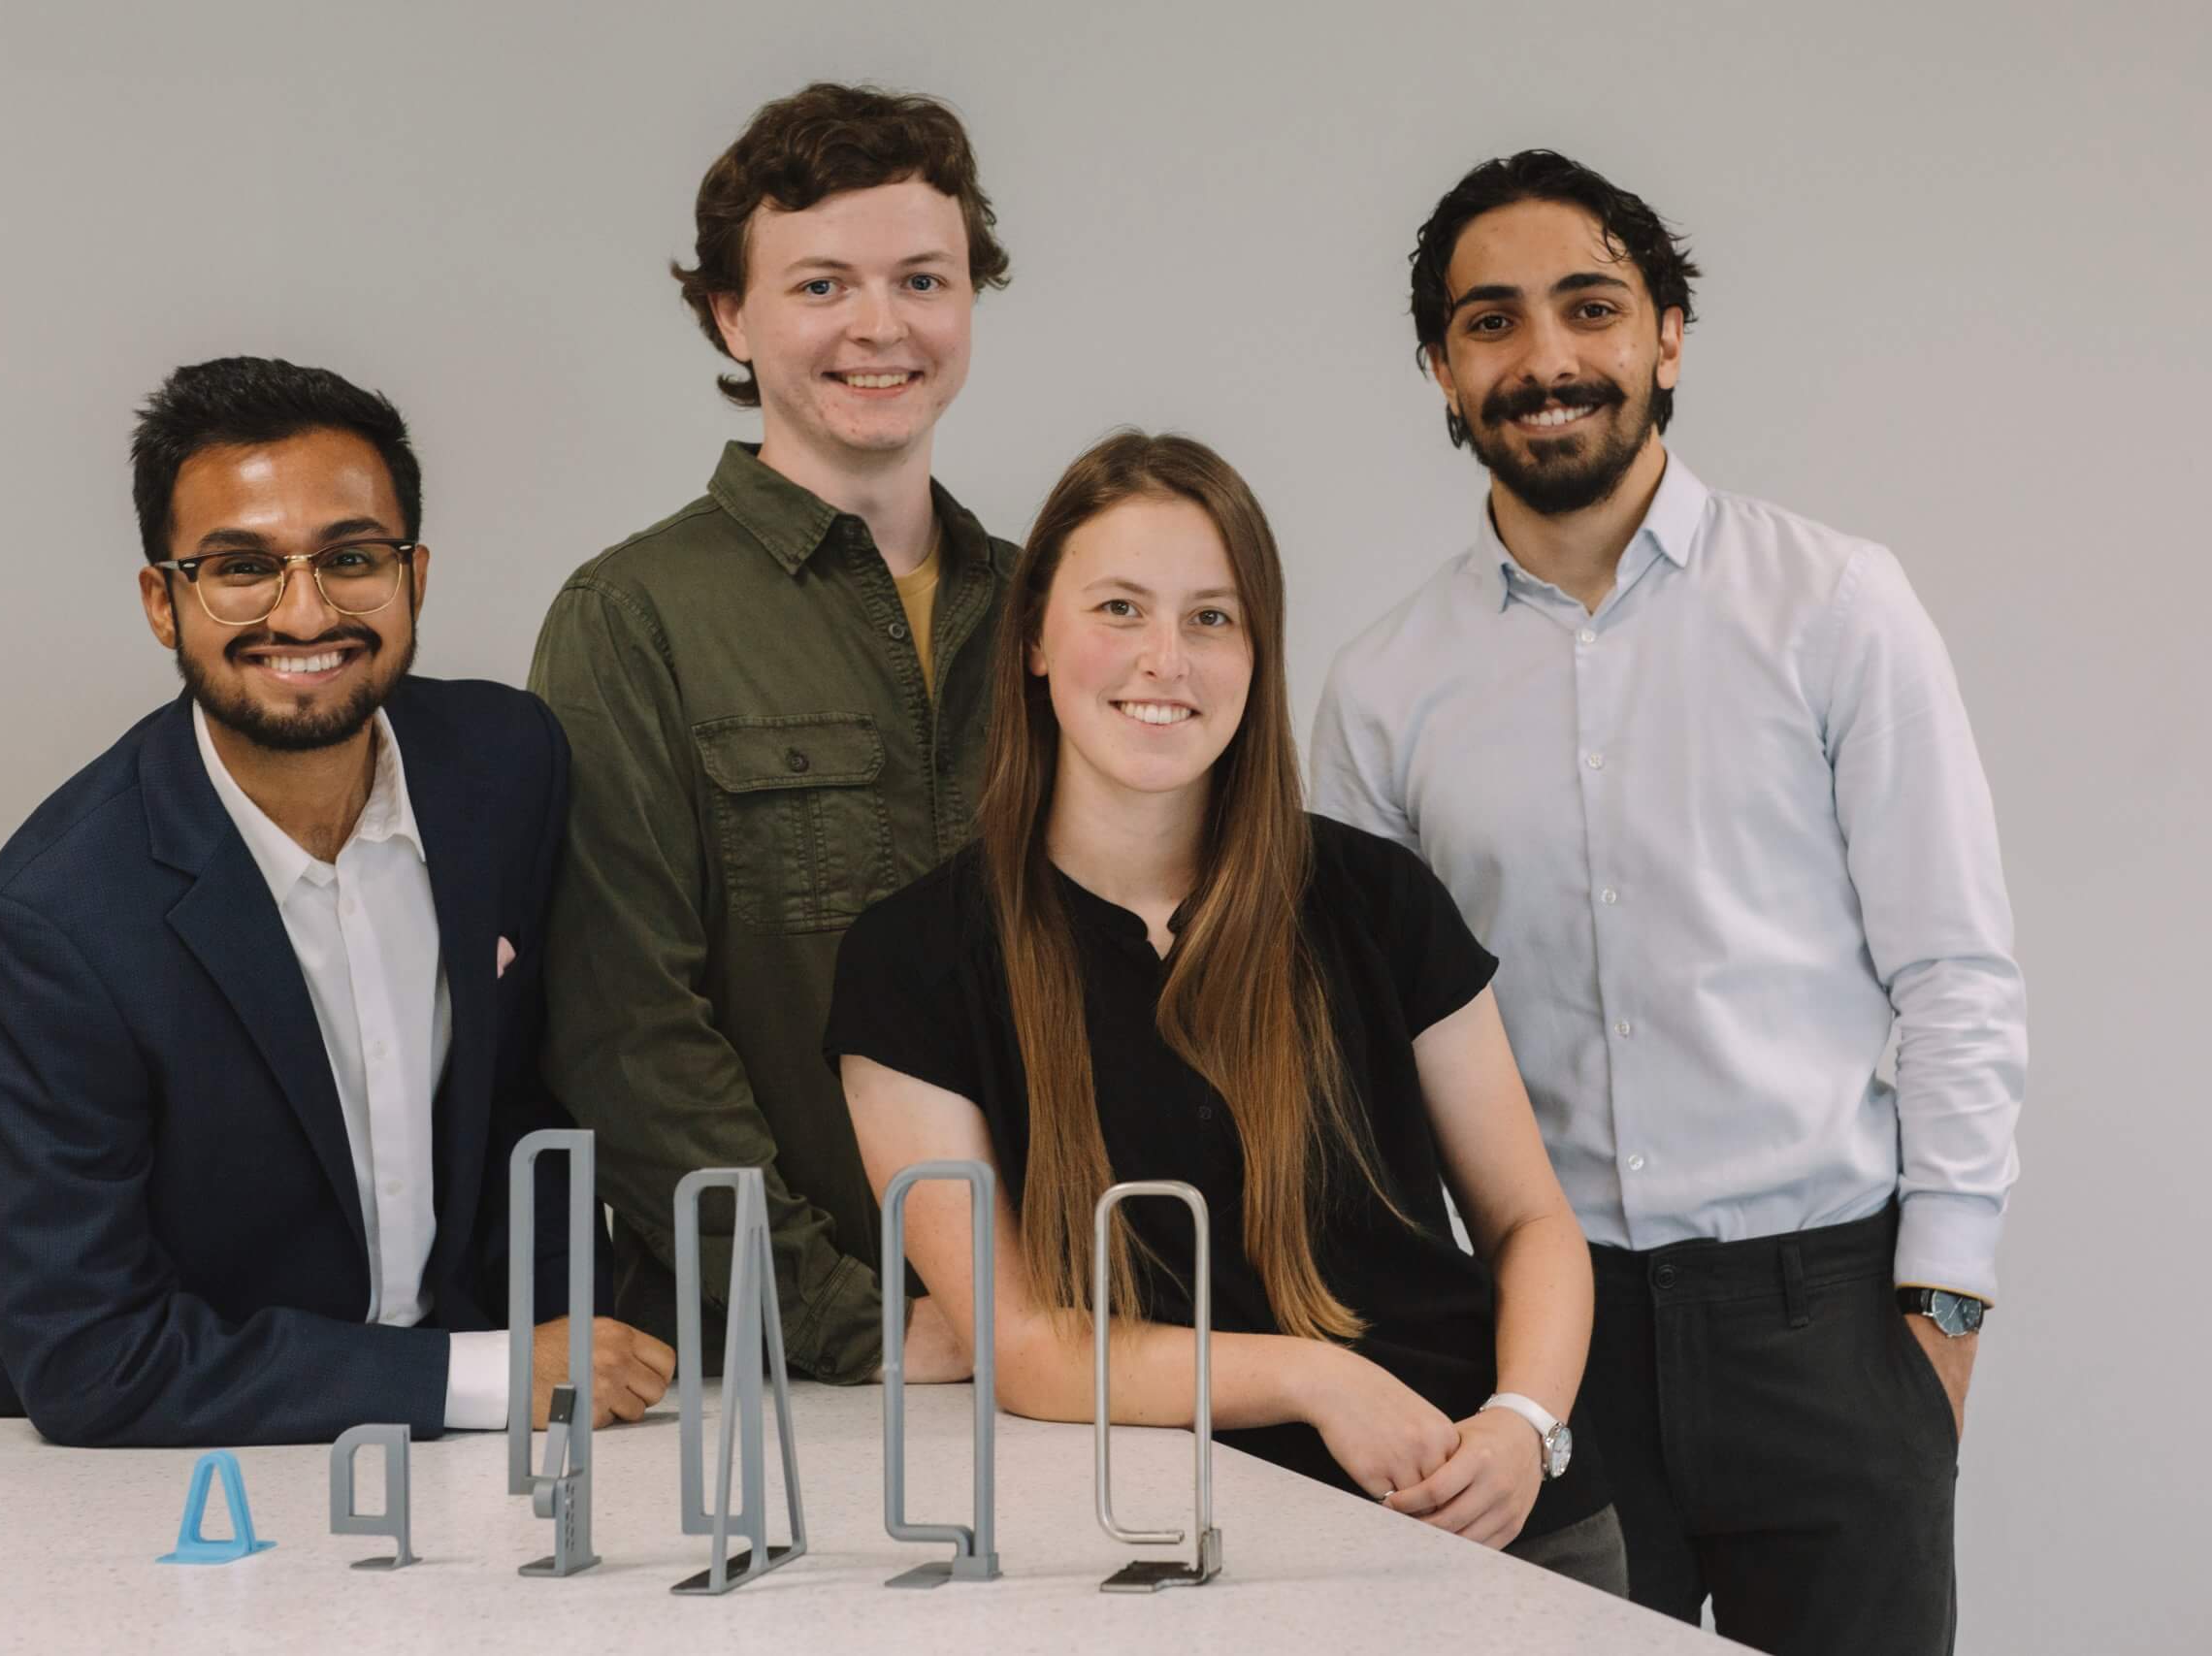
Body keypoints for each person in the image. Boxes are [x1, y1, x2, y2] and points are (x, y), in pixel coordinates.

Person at [1310, 151, 2025, 1652]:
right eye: (1491, 322)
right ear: (1441, 368)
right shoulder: (1382, 692)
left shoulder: (1835, 604)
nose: (1547, 359)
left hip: (1825, 1323)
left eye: (1592, 307)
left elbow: (1955, 969)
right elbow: (1365, 1069)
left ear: (1669, 336)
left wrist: (1940, 1316)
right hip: (1546, 1346)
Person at [828, 431, 1628, 1591]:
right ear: (1036, 642)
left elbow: (1530, 1226)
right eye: (1118, 608)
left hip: (1491, 1514)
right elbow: (1027, 1347)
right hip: (1191, 1552)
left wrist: (1521, 1424)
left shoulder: (1374, 897)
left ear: (1257, 654)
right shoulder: (911, 963)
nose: (1166, 659)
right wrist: (1313, 1375)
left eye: (1212, 618)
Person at [0, 356, 671, 1445]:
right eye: (241, 567)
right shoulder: (58, 921)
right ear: (163, 600)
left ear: (414, 575)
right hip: (168, 1474)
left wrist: (571, 1330)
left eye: (351, 558)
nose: (304, 612)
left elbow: (528, 1096)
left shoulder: (506, 763)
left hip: (486, 1464)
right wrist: (484, 1377)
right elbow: (92, 1355)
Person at [530, 82, 1017, 1384]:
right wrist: (846, 1319)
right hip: (775, 1371)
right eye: (820, 287)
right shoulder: (629, 618)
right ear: (731, 315)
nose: (880, 325)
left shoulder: (1058, 613)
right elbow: (626, 1032)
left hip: (1075, 1338)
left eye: (924, 277)